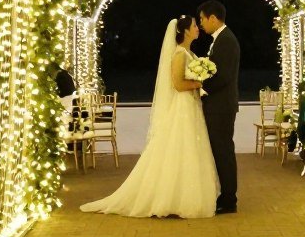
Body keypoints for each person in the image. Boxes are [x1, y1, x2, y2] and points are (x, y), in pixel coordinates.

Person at [80, 16, 219, 218]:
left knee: (189, 149)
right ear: (186, 31)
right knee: (180, 148)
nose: (198, 28)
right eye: (194, 26)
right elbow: (178, 85)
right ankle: (170, 198)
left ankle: (181, 195)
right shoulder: (180, 54)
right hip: (183, 108)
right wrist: (200, 83)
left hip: (191, 107)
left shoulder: (190, 53)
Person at [197, 0, 241, 214]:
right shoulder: (221, 39)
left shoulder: (226, 41)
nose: (202, 24)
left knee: (223, 150)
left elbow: (223, 76)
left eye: (202, 19)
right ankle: (226, 195)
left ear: (213, 18)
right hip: (219, 105)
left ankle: (229, 198)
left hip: (221, 107)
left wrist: (202, 87)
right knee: (221, 150)